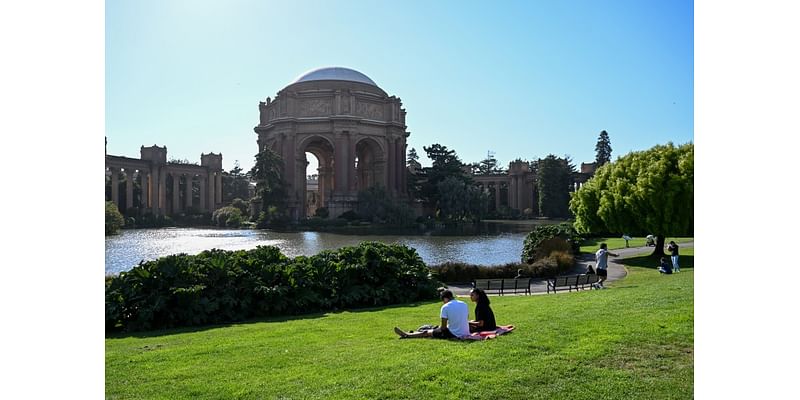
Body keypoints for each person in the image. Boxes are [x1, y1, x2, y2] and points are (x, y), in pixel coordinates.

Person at [394, 289, 470, 339]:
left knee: (427, 332)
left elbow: (443, 328)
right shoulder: (464, 303)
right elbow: (465, 318)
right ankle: (412, 333)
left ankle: (407, 335)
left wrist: (437, 329)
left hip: (454, 334)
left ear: (445, 298)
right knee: (434, 328)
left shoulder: (445, 307)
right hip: (466, 332)